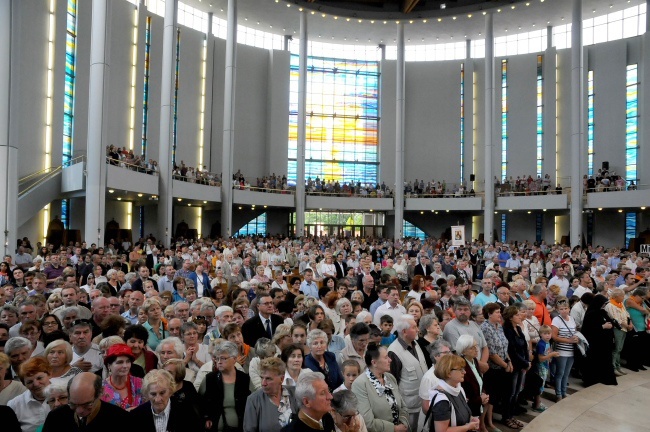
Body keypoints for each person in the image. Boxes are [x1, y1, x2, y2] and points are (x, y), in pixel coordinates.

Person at [41, 372, 131, 432]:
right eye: (73, 404)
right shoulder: (55, 417)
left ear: (100, 393)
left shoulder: (120, 419)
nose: (79, 411)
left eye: (87, 404)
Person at [351, 343, 409, 432]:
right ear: (374, 362)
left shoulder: (390, 378)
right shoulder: (360, 384)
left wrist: (403, 423)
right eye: (386, 357)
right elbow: (367, 421)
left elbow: (403, 406)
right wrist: (394, 429)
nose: (390, 360)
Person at [387, 314, 428, 430]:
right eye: (414, 327)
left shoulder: (416, 344)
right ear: (404, 331)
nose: (418, 330)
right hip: (409, 407)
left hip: (422, 402)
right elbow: (392, 382)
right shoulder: (393, 352)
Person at [200, 341, 251, 432]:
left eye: (223, 358)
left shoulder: (244, 379)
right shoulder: (210, 378)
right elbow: (200, 402)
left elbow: (254, 402)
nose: (219, 362)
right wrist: (206, 418)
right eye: (217, 358)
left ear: (234, 359)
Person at [130, 368, 203, 432]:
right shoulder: (136, 415)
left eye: (162, 393)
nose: (158, 399)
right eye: (153, 394)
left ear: (171, 391)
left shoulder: (187, 412)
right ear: (146, 394)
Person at [480, 303, 515, 431]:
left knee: (495, 397)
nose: (500, 314)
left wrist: (509, 362)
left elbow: (505, 346)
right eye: (497, 312)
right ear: (489, 314)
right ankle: (482, 423)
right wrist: (505, 365)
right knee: (489, 397)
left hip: (503, 366)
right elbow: (492, 352)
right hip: (492, 369)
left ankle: (489, 422)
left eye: (500, 311)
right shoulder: (485, 328)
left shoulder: (499, 326)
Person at [425, 354, 480, 432]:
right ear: (448, 373)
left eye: (463, 368)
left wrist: (472, 419)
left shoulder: (458, 389)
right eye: (460, 369)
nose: (464, 372)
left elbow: (461, 414)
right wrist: (467, 427)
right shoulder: (442, 400)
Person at [243, 357, 300, 432]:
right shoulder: (254, 400)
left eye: (268, 379)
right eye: (262, 378)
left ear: (281, 379)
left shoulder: (295, 393)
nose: (263, 383)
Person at [581, 294, 617, 387]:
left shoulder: (602, 312)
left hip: (604, 344)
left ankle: (604, 378)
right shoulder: (591, 313)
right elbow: (587, 329)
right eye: (603, 304)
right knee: (594, 362)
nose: (604, 306)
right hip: (595, 344)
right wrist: (602, 326)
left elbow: (610, 321)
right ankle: (592, 379)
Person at [7, 357, 51, 432]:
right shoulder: (14, 405)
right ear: (24, 384)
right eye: (30, 382)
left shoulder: (64, 395)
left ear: (49, 374)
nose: (36, 384)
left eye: (39, 378)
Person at [501, 305, 529, 425]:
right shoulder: (507, 330)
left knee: (517, 392)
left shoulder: (518, 328)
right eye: (517, 315)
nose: (520, 316)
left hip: (522, 364)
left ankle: (512, 415)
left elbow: (525, 347)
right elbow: (512, 350)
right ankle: (506, 417)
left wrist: (528, 361)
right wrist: (525, 362)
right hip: (514, 365)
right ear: (511, 317)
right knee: (510, 393)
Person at [455, 335, 489, 429]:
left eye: (476, 346)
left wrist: (483, 393)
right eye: (472, 348)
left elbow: (479, 381)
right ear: (463, 351)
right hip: (468, 409)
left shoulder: (474, 360)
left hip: (477, 404)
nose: (476, 349)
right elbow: (464, 393)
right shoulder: (460, 365)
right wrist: (480, 399)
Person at [100, 343, 143, 410]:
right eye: (120, 362)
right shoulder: (101, 389)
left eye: (128, 362)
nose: (125, 366)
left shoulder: (140, 383)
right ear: (109, 366)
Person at [551, 298, 578, 401]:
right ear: (558, 310)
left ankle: (564, 391)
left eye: (565, 308)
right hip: (561, 350)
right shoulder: (556, 320)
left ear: (569, 309)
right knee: (560, 373)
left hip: (571, 350)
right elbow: (554, 336)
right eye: (561, 309)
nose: (564, 311)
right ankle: (558, 394)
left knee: (566, 373)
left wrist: (576, 339)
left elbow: (574, 332)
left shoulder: (571, 319)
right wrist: (568, 341)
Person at [604, 288, 633, 376]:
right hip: (617, 329)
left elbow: (627, 314)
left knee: (620, 349)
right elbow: (616, 319)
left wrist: (630, 323)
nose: (623, 298)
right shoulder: (610, 305)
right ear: (616, 296)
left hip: (624, 328)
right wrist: (627, 326)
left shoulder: (620, 304)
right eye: (622, 296)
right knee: (616, 348)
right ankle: (613, 367)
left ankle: (618, 366)